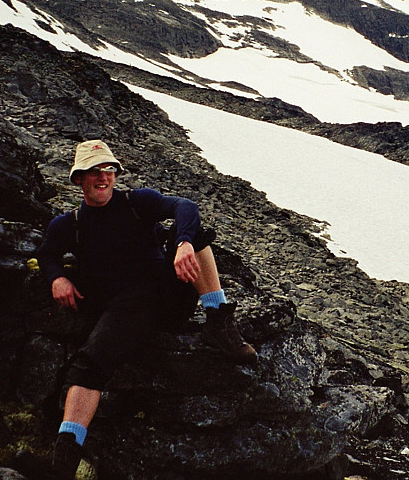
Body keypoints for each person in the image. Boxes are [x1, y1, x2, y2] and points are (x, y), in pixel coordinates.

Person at [24, 139, 256, 479]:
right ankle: (64, 464)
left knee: (198, 235)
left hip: (165, 294)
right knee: (89, 365)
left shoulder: (137, 202)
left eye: (108, 170)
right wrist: (57, 277)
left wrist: (183, 242)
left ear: (116, 175)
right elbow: (46, 254)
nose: (102, 177)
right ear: (78, 179)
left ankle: (218, 320)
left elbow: (186, 207)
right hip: (123, 308)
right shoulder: (68, 224)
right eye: (93, 172)